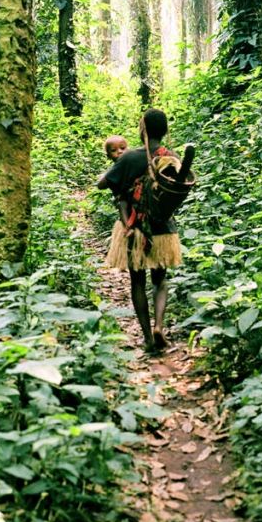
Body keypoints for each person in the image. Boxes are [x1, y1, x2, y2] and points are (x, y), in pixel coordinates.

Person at [97, 108, 182, 352]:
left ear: (142, 129)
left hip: (134, 229)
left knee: (137, 282)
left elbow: (102, 184)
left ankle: (147, 337)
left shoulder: (129, 157)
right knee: (160, 280)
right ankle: (159, 326)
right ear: (165, 131)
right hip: (164, 229)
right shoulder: (171, 157)